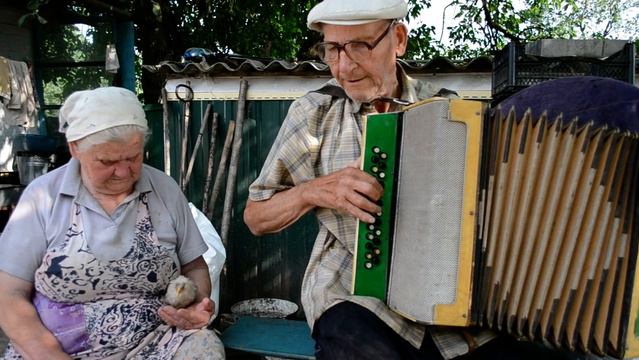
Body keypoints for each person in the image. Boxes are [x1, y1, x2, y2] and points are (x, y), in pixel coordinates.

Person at [243, 1, 582, 359]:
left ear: (399, 39)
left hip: (451, 305)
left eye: (359, 45)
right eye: (333, 49)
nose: (343, 66)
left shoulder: (448, 112)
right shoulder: (314, 113)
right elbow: (256, 216)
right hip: (355, 296)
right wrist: (315, 191)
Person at [0, 87, 225, 359]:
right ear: (75, 149)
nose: (123, 171)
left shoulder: (164, 190)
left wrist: (196, 304)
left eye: (133, 157)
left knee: (205, 347)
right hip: (57, 350)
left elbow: (195, 266)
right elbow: (8, 296)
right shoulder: (43, 196)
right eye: (107, 161)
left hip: (156, 343)